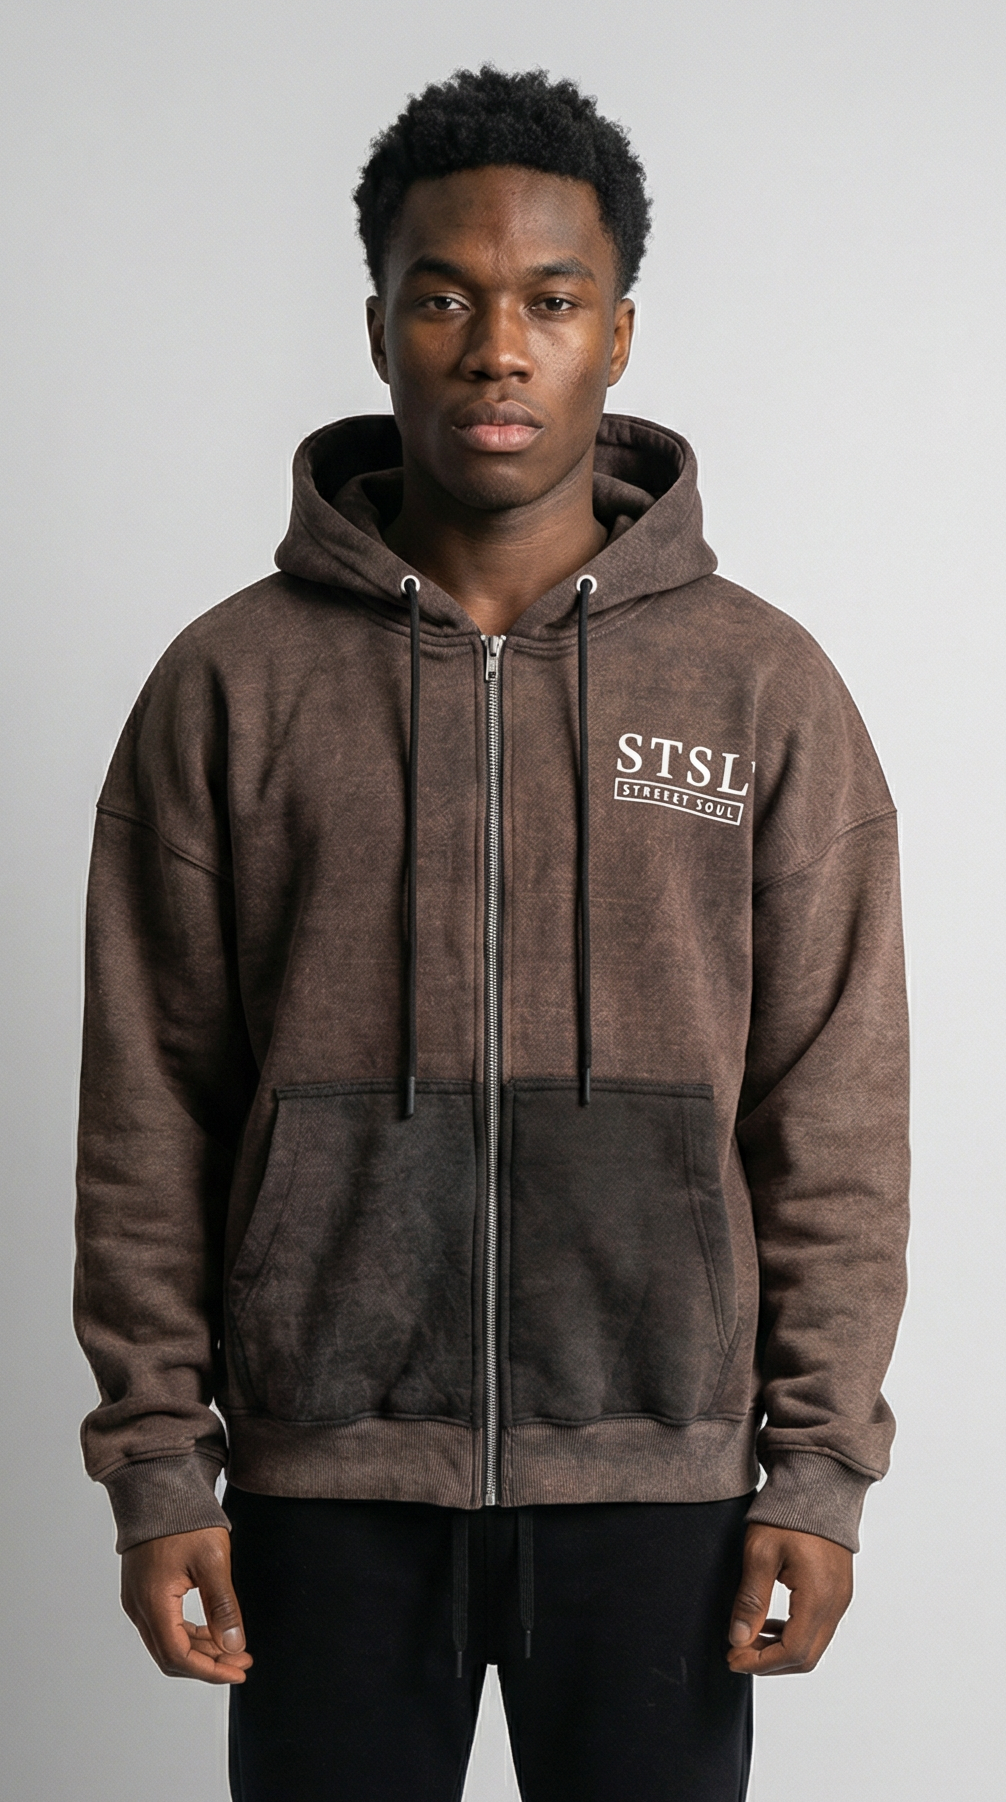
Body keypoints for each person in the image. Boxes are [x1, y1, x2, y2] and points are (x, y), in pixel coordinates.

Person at [74, 65, 909, 1802]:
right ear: (377, 324)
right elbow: (149, 1103)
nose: (496, 349)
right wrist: (158, 1465)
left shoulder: (758, 686)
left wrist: (818, 1470)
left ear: (618, 334)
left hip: (663, 1483)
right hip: (323, 1478)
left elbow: (831, 1105)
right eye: (443, 297)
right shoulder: (232, 683)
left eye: (550, 300)